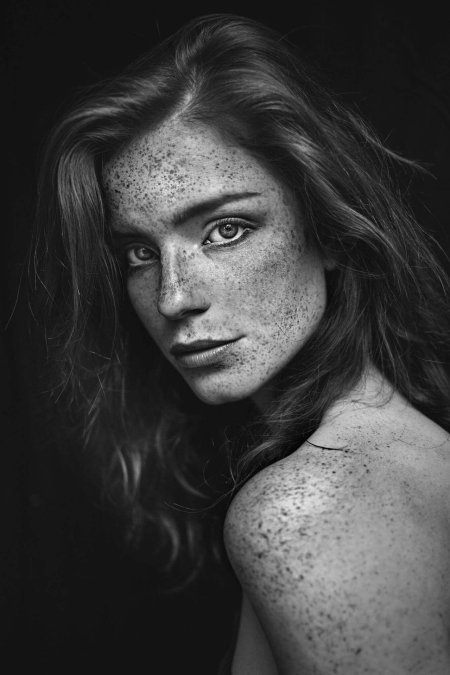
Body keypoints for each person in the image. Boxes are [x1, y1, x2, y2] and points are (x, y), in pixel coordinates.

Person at [32, 13, 450, 674]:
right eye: (140, 252)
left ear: (329, 228)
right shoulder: (409, 453)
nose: (173, 297)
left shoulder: (302, 512)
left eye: (224, 230)